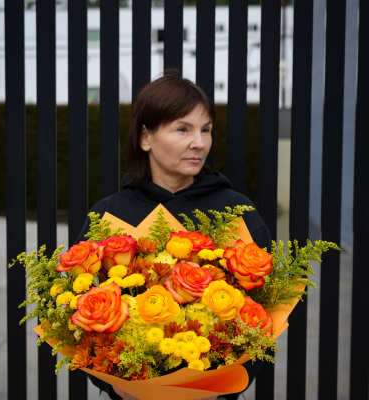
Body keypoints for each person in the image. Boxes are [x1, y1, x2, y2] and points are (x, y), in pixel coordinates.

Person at [76, 72, 271, 399]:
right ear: (146, 138)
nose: (199, 143)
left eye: (205, 130)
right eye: (183, 129)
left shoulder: (236, 213)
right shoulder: (110, 215)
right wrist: (115, 385)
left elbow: (265, 315)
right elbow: (77, 316)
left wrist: (222, 387)